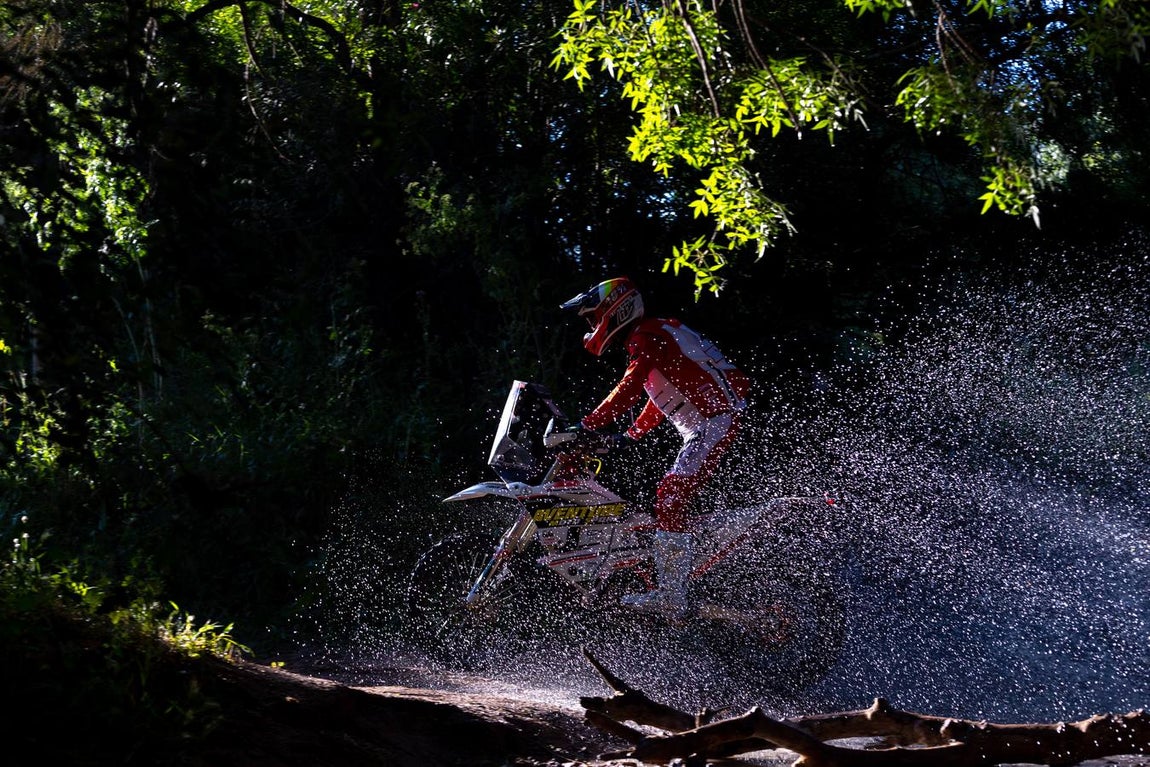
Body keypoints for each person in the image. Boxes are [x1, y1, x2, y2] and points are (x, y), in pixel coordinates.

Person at [560, 276, 749, 610]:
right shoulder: (655, 333)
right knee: (664, 500)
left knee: (670, 496)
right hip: (712, 422)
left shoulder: (645, 338)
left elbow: (630, 385)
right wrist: (631, 434)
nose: (590, 327)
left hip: (713, 422)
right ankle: (679, 566)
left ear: (614, 310)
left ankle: (672, 593)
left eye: (592, 318)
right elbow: (661, 395)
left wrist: (586, 425)